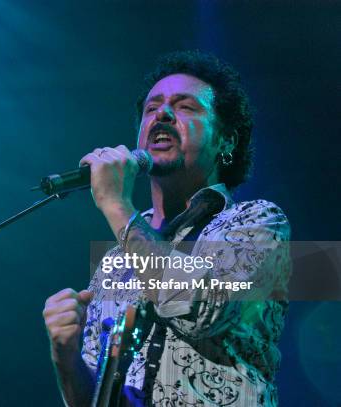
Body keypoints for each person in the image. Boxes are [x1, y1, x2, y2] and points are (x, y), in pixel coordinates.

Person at [42, 50, 290, 406]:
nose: (162, 113)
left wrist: (115, 204)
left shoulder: (258, 223)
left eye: (186, 106)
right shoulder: (115, 260)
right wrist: (65, 360)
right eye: (152, 107)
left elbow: (201, 312)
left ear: (227, 140)